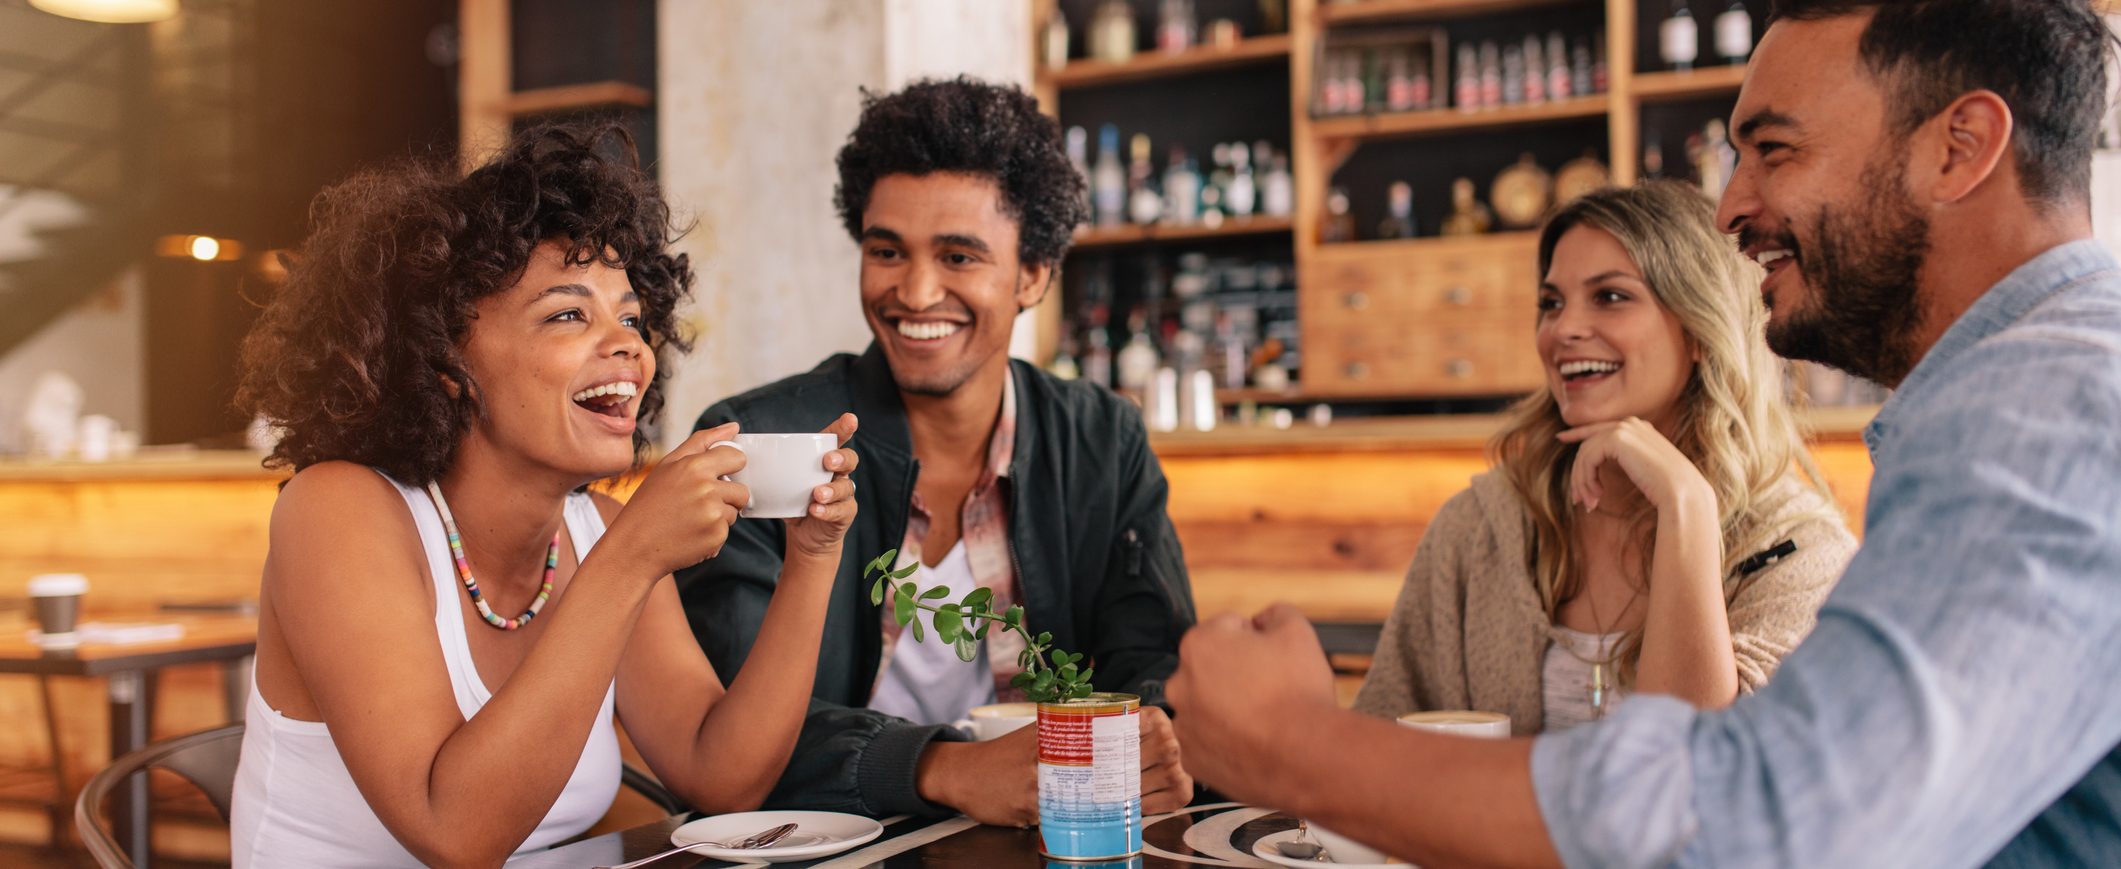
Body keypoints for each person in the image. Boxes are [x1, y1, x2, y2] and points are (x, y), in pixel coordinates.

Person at [1165, 0, 2121, 865]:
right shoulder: (2025, 392)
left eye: (1774, 150)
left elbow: (1752, 826)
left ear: (1960, 147)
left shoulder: (2042, 409)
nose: (1732, 207)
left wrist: (1293, 744)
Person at [228, 125, 861, 867]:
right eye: (568, 313)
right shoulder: (339, 511)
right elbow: (453, 832)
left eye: (630, 315)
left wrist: (813, 558)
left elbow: (721, 775)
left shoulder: (597, 527)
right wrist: (630, 560)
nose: (629, 344)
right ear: (443, 359)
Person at [676, 77, 1196, 826]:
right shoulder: (760, 443)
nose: (915, 292)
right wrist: (942, 767)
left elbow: (1152, 669)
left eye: (958, 256)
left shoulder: (1102, 441)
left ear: (1033, 274)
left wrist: (1146, 752)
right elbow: (726, 729)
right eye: (887, 250)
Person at [1354, 181, 1855, 735]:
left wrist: (1684, 504)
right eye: (1551, 303)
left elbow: (1697, 770)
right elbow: (1375, 748)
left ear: (1699, 328)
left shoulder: (1801, 555)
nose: (1562, 330)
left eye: (1610, 296)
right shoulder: (1479, 529)